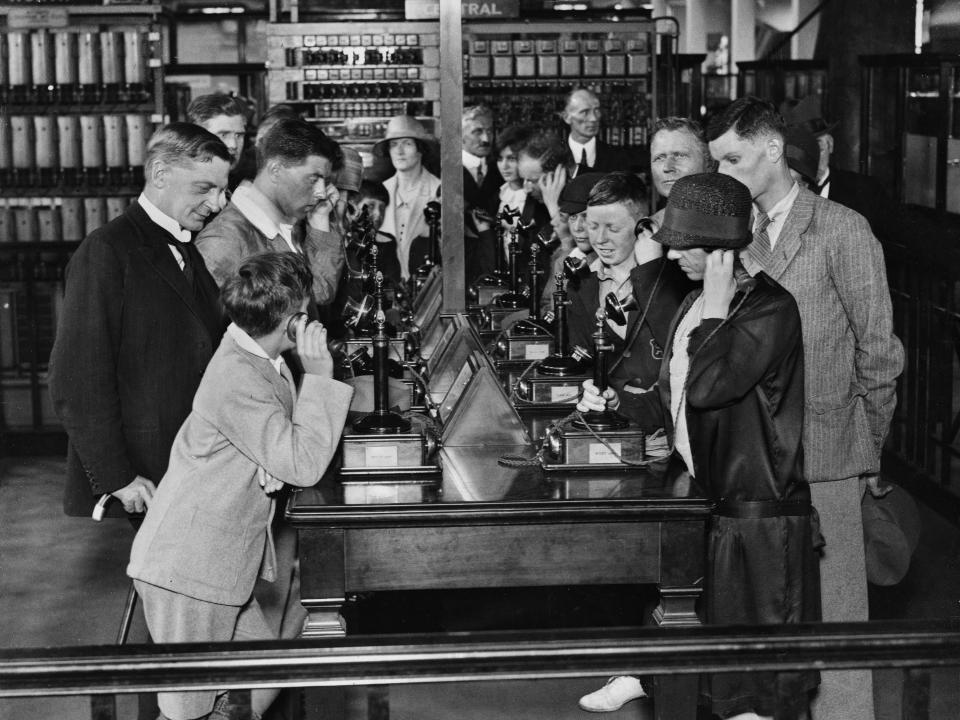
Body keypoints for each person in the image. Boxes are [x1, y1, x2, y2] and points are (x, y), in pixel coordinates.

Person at [577, 172, 821, 719]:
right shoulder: (694, 302)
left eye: (683, 246)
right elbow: (677, 393)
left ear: (719, 250)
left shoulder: (767, 309)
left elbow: (713, 387)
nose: (673, 255)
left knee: (750, 695)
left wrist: (713, 309)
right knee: (697, 660)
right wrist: (617, 406)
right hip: (707, 500)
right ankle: (645, 673)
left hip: (754, 516)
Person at [708, 96, 904, 720]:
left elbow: (879, 354)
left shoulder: (842, 230)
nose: (724, 176)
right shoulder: (731, 238)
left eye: (733, 159)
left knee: (839, 636)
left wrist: (866, 452)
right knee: (768, 638)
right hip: (755, 471)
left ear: (773, 149)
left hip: (827, 461)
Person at [127, 251, 353, 720]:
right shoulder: (236, 374)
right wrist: (322, 377)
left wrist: (272, 457)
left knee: (257, 678)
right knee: (187, 712)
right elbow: (304, 464)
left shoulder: (257, 355)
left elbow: (281, 445)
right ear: (293, 322)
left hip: (217, 566)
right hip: (189, 571)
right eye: (305, 313)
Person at [49, 122, 230, 520]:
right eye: (204, 188)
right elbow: (76, 378)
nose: (217, 203)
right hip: (147, 472)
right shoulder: (107, 251)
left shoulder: (184, 246)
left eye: (222, 190)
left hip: (189, 461)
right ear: (160, 173)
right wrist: (117, 476)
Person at [195, 117, 345, 312]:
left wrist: (320, 219)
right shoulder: (223, 241)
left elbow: (320, 293)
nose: (321, 193)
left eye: (323, 182)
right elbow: (209, 332)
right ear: (275, 170)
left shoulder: (285, 225)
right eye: (313, 179)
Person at [566, 171, 689, 398]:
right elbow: (579, 363)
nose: (600, 239)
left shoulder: (676, 278)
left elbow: (680, 349)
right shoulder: (580, 286)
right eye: (593, 226)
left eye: (613, 229)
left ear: (642, 227)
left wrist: (650, 273)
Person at [782, 95, 895, 240]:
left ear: (830, 144)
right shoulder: (779, 195)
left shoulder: (865, 191)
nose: (812, 159)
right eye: (802, 151)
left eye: (818, 146)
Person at [375, 115, 442, 282]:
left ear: (421, 149)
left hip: (429, 287)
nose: (399, 151)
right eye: (394, 144)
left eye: (407, 143)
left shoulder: (439, 191)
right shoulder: (380, 192)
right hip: (387, 287)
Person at [538, 171, 604, 314]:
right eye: (572, 217)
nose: (577, 228)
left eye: (586, 217)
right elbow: (546, 306)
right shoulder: (565, 261)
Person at [462, 105, 504, 284]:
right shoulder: (445, 171)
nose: (486, 138)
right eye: (477, 132)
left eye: (489, 131)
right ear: (459, 134)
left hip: (496, 262)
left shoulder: (502, 171)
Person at [560, 88, 633, 177]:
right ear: (566, 117)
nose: (594, 118)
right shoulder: (555, 157)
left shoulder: (618, 157)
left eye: (597, 110)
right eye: (585, 112)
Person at [187, 93, 251, 188]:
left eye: (238, 135)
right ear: (197, 137)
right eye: (224, 135)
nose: (233, 145)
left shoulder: (238, 184)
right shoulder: (185, 187)